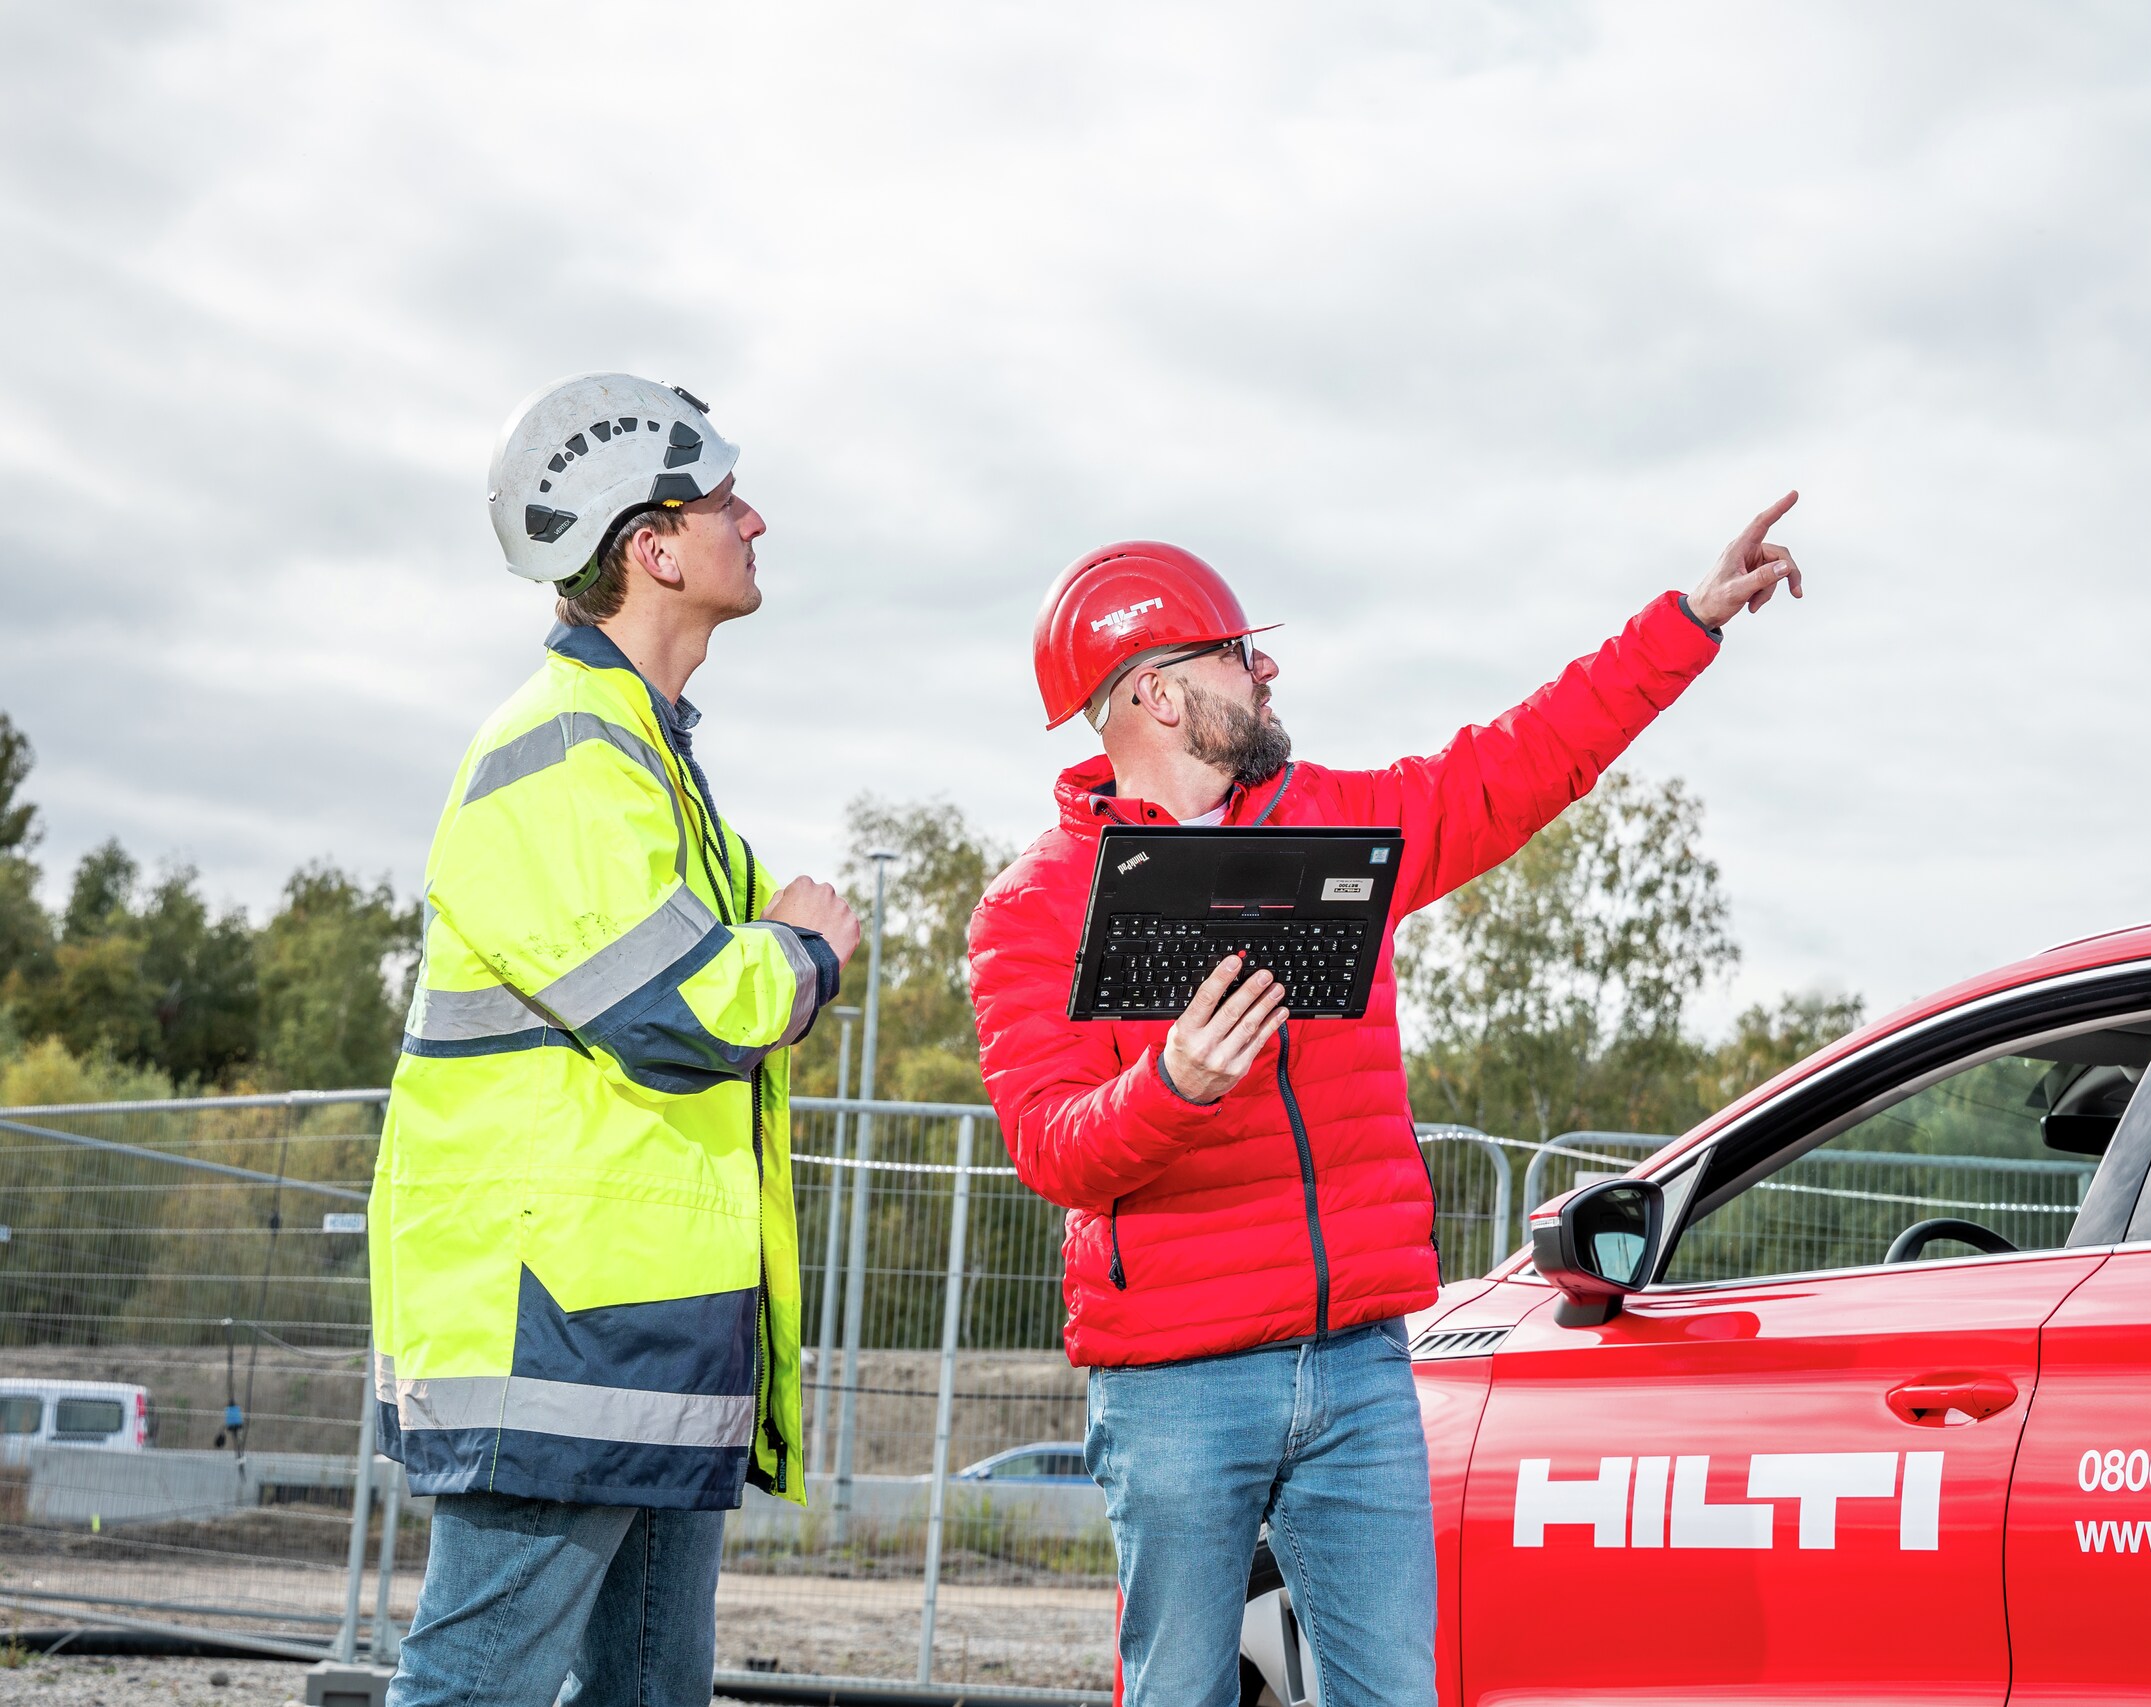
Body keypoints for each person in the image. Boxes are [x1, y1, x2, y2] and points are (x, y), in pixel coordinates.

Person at [968, 498, 1806, 1707]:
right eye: (1236, 654)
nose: (1265, 671)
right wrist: (1171, 1088)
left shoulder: (1332, 827)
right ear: (1156, 692)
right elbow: (1052, 1150)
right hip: (1175, 1388)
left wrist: (1685, 621)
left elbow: (1518, 763)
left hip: (1357, 1365)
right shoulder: (1036, 906)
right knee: (1176, 1691)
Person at [372, 374, 859, 1707]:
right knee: (474, 1684)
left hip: (644, 1334)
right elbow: (679, 1008)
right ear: (653, 549)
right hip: (561, 1333)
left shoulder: (645, 756)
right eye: (723, 501)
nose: (753, 520)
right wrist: (806, 947)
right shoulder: (563, 748)